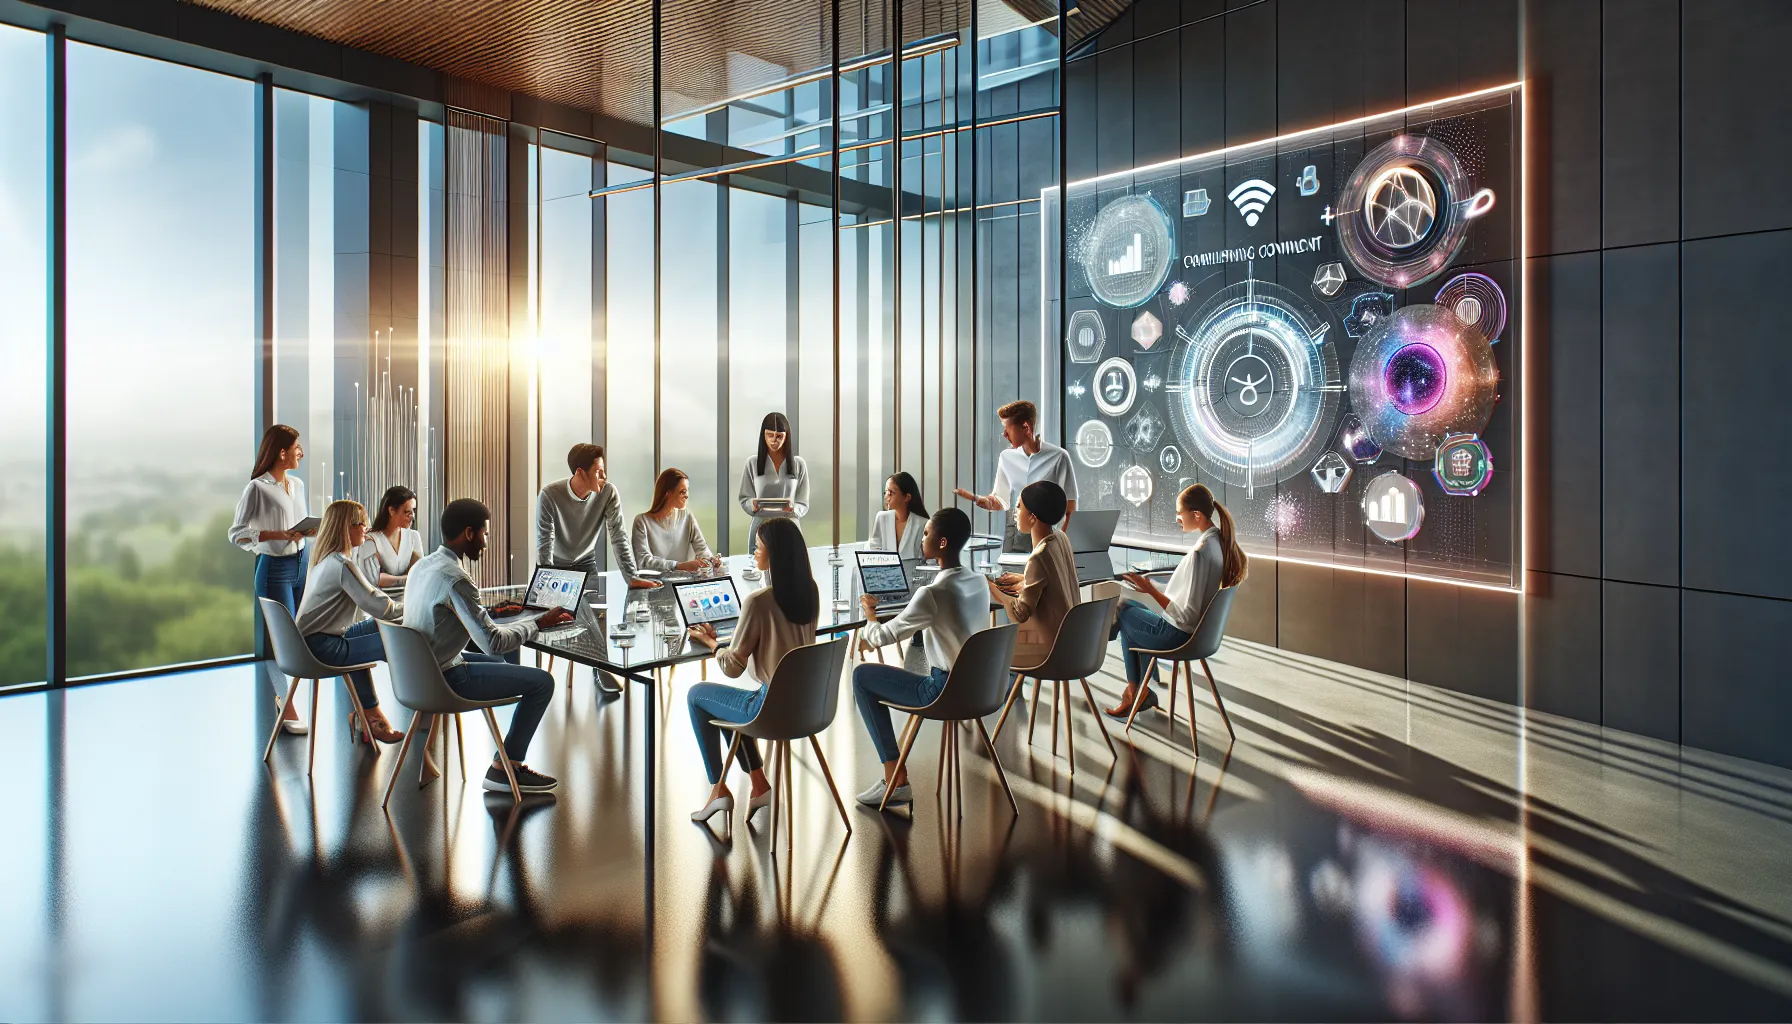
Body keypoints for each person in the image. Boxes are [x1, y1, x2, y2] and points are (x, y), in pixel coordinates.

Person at [405, 498, 574, 794]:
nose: (485, 542)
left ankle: (504, 763)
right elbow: (493, 643)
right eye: (484, 534)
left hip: (417, 675)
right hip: (445, 679)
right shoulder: (457, 579)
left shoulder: (422, 566)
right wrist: (539, 622)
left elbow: (451, 621)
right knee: (543, 682)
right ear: (469, 533)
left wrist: (497, 617)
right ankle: (505, 768)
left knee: (502, 666)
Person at [683, 517, 818, 824]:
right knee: (729, 706)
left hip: (769, 710)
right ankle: (759, 785)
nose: (754, 552)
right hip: (807, 706)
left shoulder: (758, 602)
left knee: (697, 696)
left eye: (758, 546)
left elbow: (732, 667)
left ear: (775, 552)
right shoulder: (810, 591)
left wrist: (712, 643)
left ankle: (718, 789)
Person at [849, 508, 983, 808]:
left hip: (944, 692)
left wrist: (870, 615)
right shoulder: (978, 582)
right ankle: (894, 778)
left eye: (926, 533)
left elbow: (881, 636)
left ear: (942, 543)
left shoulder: (932, 594)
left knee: (861, 677)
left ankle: (895, 779)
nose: (922, 539)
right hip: (982, 689)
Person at [1106, 483, 1247, 718]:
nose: (1177, 518)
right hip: (1200, 636)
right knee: (1131, 610)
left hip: (1179, 636)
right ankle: (1138, 692)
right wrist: (1151, 588)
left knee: (1122, 610)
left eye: (1179, 512)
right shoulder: (1217, 544)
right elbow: (1190, 596)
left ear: (1196, 515)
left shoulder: (1200, 553)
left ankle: (1134, 690)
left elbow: (1185, 615)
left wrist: (1150, 590)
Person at [229, 424, 319, 734]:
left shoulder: (298, 484)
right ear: (281, 452)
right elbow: (237, 533)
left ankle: (286, 697)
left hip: (301, 563)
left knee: (302, 634)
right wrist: (276, 534)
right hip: (274, 569)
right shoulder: (257, 488)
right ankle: (287, 701)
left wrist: (308, 531)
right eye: (296, 448)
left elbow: (298, 524)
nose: (301, 453)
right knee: (286, 640)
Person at [295, 500, 405, 743]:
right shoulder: (342, 565)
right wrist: (414, 609)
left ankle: (369, 715)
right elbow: (379, 606)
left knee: (377, 627)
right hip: (323, 648)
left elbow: (376, 606)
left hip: (312, 643)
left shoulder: (326, 560)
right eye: (361, 523)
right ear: (346, 527)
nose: (367, 528)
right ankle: (425, 697)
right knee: (399, 641)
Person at [954, 399, 1079, 552]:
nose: (1004, 434)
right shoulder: (1006, 457)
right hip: (1015, 531)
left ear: (1026, 427)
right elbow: (1001, 500)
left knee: (1040, 567)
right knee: (1009, 567)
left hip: (1047, 533)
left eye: (1007, 428)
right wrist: (986, 501)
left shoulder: (1059, 457)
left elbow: (1070, 508)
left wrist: (1060, 544)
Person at [536, 442, 657, 589]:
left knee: (593, 604)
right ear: (580, 473)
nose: (604, 476)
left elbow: (619, 537)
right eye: (598, 472)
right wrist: (547, 584)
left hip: (586, 564)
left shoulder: (608, 493)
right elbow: (545, 544)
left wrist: (632, 577)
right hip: (555, 566)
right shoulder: (549, 495)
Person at [988, 481, 1079, 669]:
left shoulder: (1039, 557)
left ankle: (1001, 689)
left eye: (1019, 506)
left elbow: (1020, 614)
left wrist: (991, 587)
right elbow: (1053, 578)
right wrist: (1023, 579)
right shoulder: (1060, 538)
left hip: (1050, 649)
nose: (1015, 511)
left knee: (988, 648)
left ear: (1032, 517)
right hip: (1073, 641)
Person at [737, 411, 810, 552]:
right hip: (761, 527)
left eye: (779, 436)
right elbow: (744, 498)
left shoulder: (798, 464)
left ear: (786, 436)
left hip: (790, 526)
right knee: (759, 564)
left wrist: (793, 508)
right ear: (763, 435)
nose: (774, 440)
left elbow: (803, 502)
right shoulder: (753, 463)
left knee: (791, 563)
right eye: (770, 435)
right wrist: (752, 504)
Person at [632, 468, 722, 573]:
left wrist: (711, 560)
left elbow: (702, 549)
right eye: (682, 492)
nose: (687, 496)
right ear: (667, 493)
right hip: (656, 582)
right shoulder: (642, 522)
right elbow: (643, 561)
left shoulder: (687, 516)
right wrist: (680, 566)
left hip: (686, 581)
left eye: (687, 490)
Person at [362, 485, 425, 587]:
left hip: (409, 594)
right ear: (391, 511)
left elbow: (421, 572)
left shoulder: (413, 536)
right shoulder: (371, 539)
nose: (412, 516)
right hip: (381, 596)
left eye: (413, 511)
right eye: (407, 512)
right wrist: (408, 578)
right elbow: (375, 579)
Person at [867, 471, 930, 561]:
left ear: (907, 497)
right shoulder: (882, 518)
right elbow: (874, 549)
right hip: (885, 569)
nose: (887, 496)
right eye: (886, 492)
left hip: (914, 570)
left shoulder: (923, 524)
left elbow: (928, 559)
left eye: (891, 492)